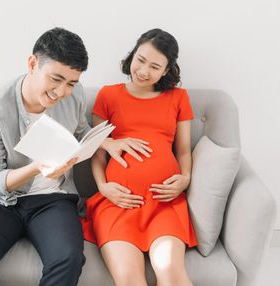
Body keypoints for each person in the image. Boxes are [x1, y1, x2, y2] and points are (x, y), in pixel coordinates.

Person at [0, 27, 149, 286]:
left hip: (52, 200)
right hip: (1, 202)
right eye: (55, 79)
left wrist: (106, 143)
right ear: (32, 63)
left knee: (68, 258)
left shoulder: (74, 95)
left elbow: (79, 132)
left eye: (71, 83)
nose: (62, 91)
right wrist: (36, 168)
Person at [80, 28, 198, 286]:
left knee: (171, 274)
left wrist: (185, 179)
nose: (143, 70)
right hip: (118, 203)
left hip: (163, 203)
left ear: (166, 71)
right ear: (132, 54)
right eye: (140, 60)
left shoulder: (178, 98)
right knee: (129, 279)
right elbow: (98, 151)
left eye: (155, 66)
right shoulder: (109, 95)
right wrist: (103, 186)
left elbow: (183, 150)